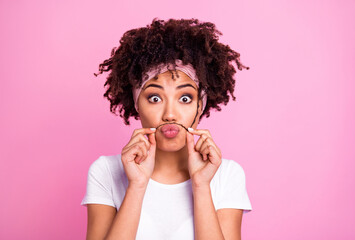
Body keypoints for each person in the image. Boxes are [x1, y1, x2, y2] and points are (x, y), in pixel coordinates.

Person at [81, 18, 252, 240]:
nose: (170, 114)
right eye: (154, 98)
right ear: (137, 104)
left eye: (184, 98)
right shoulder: (105, 171)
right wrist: (137, 185)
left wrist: (201, 185)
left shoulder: (227, 175)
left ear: (200, 105)